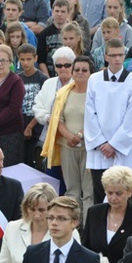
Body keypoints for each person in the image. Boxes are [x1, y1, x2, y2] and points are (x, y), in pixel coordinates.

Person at [84, 37, 132, 204]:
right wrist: (101, 142)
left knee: (122, 195)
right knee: (99, 193)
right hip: (99, 149)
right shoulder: (94, 79)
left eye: (121, 55)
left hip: (122, 150)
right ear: (106, 56)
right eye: (113, 55)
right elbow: (90, 113)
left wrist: (114, 144)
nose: (117, 59)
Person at [0, 182, 79, 263]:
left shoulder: (69, 231)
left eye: (42, 210)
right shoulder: (12, 228)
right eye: (32, 209)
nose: (36, 215)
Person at [40, 56, 92, 213]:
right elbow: (57, 119)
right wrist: (69, 136)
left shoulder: (95, 93)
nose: (80, 73)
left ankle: (88, 229)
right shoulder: (63, 93)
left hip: (89, 148)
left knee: (89, 191)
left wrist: (80, 135)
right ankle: (73, 225)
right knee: (72, 190)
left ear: (91, 73)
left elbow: (97, 119)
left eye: (84, 70)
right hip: (67, 146)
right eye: (77, 70)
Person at [32, 46, 74, 185]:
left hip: (70, 138)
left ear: (73, 66)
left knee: (70, 178)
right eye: (59, 65)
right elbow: (37, 106)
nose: (63, 68)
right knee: (52, 178)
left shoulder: (78, 84)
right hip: (50, 137)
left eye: (67, 65)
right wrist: (48, 118)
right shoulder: (48, 83)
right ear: (55, 67)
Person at [17, 44, 47, 167]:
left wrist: (30, 126)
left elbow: (44, 106)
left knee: (36, 163)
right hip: (20, 127)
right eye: (22, 59)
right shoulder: (17, 78)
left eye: (29, 59)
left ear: (35, 58)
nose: (25, 63)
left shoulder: (43, 79)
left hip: (37, 129)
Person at [37, 0, 70, 77]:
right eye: (57, 11)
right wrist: (48, 78)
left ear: (68, 13)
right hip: (49, 73)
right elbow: (41, 60)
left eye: (63, 11)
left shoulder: (73, 33)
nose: (59, 14)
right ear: (52, 12)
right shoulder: (44, 34)